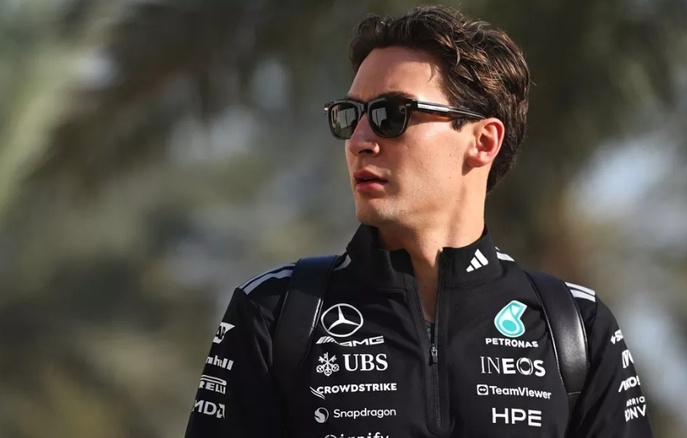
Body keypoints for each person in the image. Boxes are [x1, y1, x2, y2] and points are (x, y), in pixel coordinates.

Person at [185, 5, 653, 437]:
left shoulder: (578, 327)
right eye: (350, 116)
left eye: (391, 115)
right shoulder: (273, 313)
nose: (359, 141)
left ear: (483, 142)